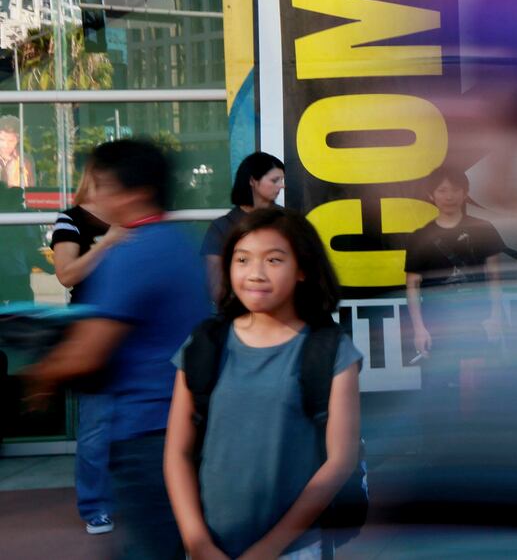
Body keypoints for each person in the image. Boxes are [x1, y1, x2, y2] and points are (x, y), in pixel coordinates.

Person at [24, 139, 212, 560]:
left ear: (135, 192)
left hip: (148, 430)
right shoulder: (180, 244)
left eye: (101, 184)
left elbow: (88, 351)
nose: (93, 195)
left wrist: (39, 378)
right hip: (183, 421)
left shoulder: (133, 253)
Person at [165, 206, 362, 560]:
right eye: (242, 259)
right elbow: (177, 452)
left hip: (295, 550)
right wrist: (198, 543)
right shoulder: (204, 345)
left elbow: (340, 462)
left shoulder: (330, 350)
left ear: (302, 269)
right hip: (208, 548)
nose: (254, 274)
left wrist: (268, 550)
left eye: (273, 260)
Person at [52, 166, 116, 536]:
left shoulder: (133, 217)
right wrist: (108, 242)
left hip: (133, 328)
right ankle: (95, 506)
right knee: (95, 426)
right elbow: (66, 274)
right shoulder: (72, 219)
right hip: (91, 330)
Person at [404, 165, 506, 394]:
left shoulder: (483, 229)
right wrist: (419, 329)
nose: (449, 196)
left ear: (465, 192)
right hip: (437, 322)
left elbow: (495, 277)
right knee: (438, 388)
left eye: (455, 189)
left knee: (476, 388)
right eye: (441, 190)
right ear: (431, 195)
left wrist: (495, 317)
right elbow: (412, 286)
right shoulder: (420, 237)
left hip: (476, 320)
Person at [202, 152, 285, 302]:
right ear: (253, 180)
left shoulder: (289, 221)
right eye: (275, 180)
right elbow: (216, 289)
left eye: (282, 180)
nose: (282, 185)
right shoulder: (222, 227)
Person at [0, 115, 34, 188]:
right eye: (2, 140)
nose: (6, 145)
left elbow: (31, 188)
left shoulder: (25, 161)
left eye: (11, 141)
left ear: (18, 140)